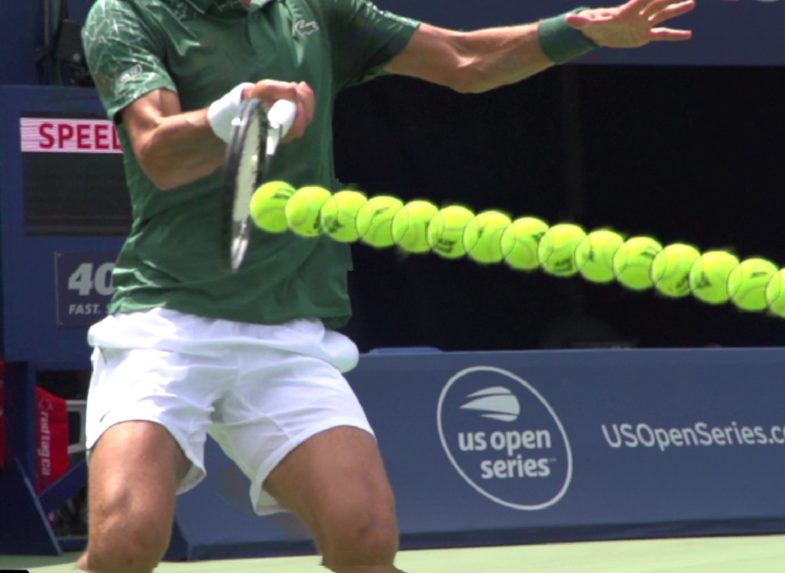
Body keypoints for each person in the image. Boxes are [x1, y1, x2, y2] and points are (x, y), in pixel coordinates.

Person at [78, 0, 695, 571]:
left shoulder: (314, 11)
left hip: (286, 336)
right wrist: (235, 113)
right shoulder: (127, 14)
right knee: (126, 543)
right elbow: (159, 153)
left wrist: (578, 33)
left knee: (365, 538)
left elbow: (464, 59)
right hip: (166, 327)